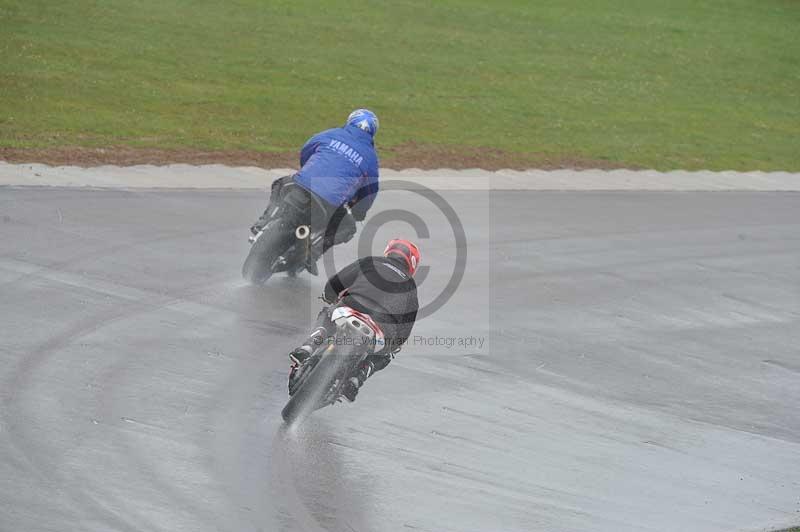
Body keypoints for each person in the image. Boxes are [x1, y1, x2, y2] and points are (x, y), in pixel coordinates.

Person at [288, 239, 421, 402]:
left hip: (353, 306)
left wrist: (330, 297)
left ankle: (309, 346)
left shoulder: (371, 261)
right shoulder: (410, 286)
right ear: (412, 264)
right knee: (387, 355)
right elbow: (406, 327)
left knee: (327, 315)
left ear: (389, 250)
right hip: (382, 327)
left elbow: (336, 282)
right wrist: (394, 344)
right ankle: (357, 379)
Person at [249, 109, 380, 274]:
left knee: (279, 184)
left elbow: (306, 149)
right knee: (347, 227)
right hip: (329, 203)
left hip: (302, 184)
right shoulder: (370, 157)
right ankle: (313, 253)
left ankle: (263, 221)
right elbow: (369, 192)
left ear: (350, 122)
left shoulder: (331, 133)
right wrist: (359, 213)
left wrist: (307, 169)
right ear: (373, 133)